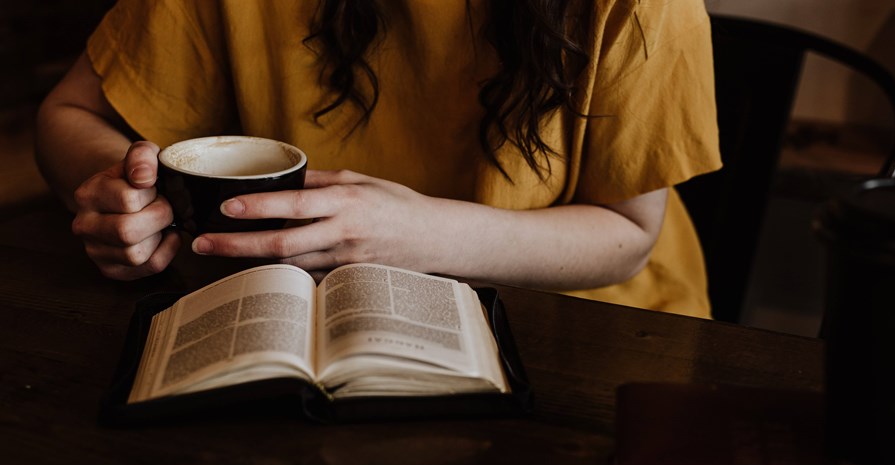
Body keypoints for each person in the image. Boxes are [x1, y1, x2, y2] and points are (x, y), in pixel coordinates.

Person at [35, 0, 721, 318]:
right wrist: (121, 193)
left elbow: (629, 236)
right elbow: (70, 117)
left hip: (579, 322)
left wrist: (416, 235)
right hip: (285, 316)